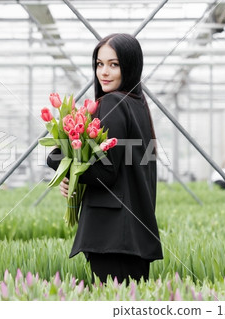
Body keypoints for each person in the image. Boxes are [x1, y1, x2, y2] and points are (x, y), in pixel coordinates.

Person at [47, 33, 163, 284]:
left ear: (130, 66)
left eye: (114, 64)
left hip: (112, 237)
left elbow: (105, 174)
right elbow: (121, 171)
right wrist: (75, 178)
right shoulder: (138, 105)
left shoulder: (112, 103)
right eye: (100, 64)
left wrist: (60, 162)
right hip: (132, 237)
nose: (104, 72)